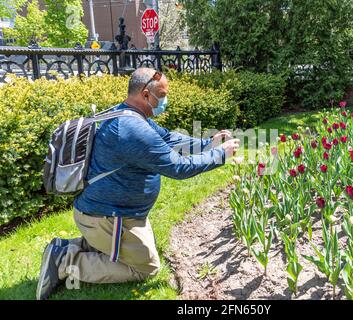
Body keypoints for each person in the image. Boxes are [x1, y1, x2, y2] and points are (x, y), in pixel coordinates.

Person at [36, 67, 240, 300]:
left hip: (107, 214)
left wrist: (206, 144)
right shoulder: (132, 130)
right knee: (146, 268)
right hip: (108, 217)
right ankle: (64, 261)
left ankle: (73, 246)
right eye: (161, 96)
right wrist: (220, 155)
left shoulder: (128, 114)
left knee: (137, 250)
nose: (165, 101)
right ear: (145, 94)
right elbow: (179, 167)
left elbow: (169, 138)